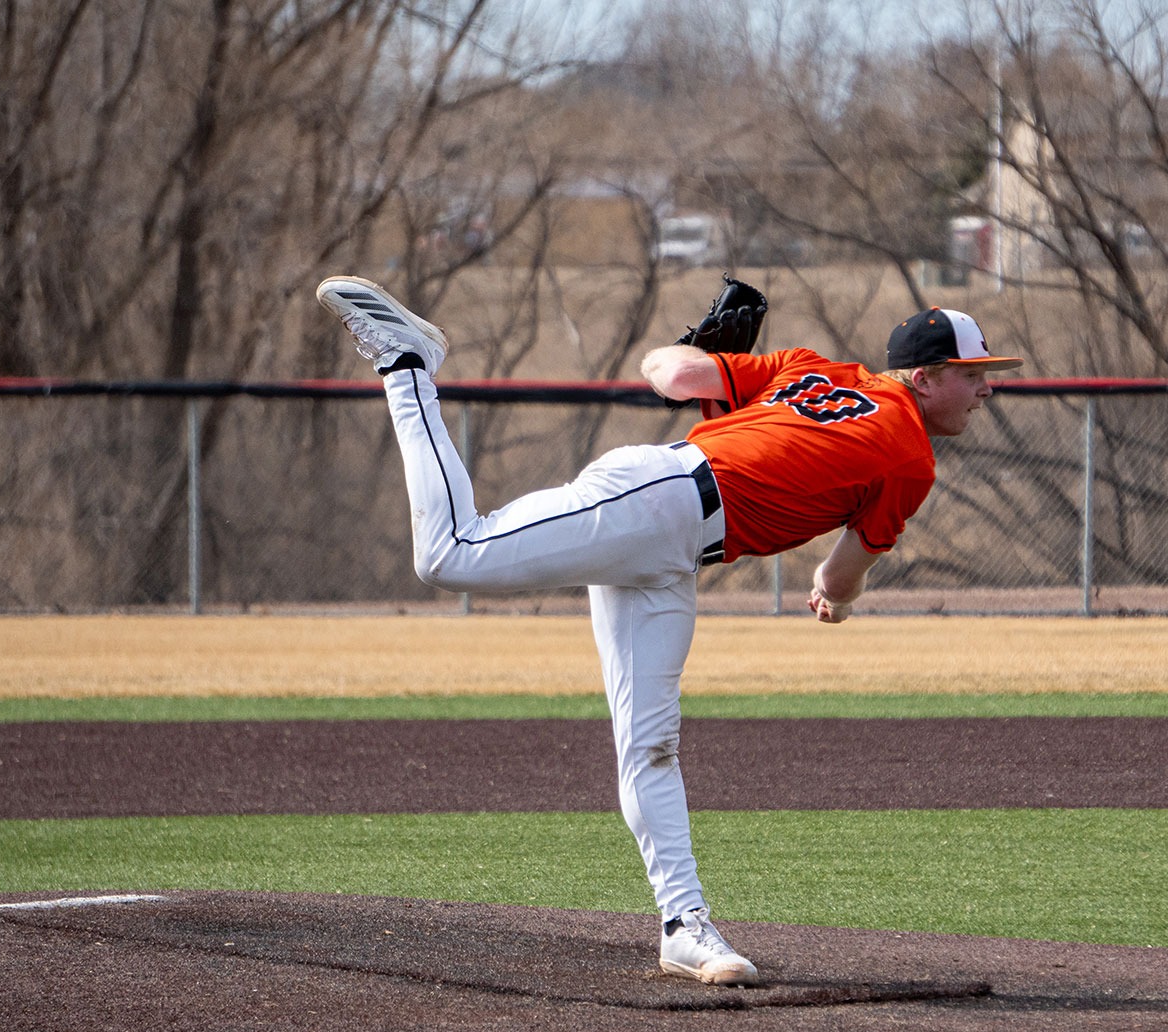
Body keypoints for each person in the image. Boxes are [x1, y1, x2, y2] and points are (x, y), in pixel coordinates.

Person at [315, 275, 1024, 986]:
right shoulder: (909, 451)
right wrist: (833, 598)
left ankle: (685, 926)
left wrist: (705, 361)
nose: (988, 388)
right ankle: (407, 364)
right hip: (663, 499)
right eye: (974, 375)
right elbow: (842, 577)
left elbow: (669, 372)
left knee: (649, 745)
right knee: (450, 554)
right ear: (927, 378)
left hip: (672, 549)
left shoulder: (812, 368)